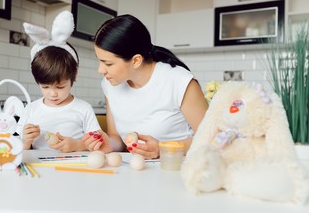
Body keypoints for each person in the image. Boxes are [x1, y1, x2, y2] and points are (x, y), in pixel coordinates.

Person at [83, 14, 208, 159]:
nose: (100, 70)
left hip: (179, 167)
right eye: (100, 61)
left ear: (136, 60)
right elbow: (116, 137)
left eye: (108, 64)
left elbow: (211, 138)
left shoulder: (179, 81)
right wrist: (109, 143)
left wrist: (162, 149)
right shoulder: (110, 84)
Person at [17, 11, 101, 152]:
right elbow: (19, 151)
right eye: (45, 86)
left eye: (60, 87)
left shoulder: (83, 109)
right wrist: (26, 142)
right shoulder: (31, 110)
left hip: (74, 169)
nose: (53, 94)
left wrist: (78, 145)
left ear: (74, 76)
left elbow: (97, 144)